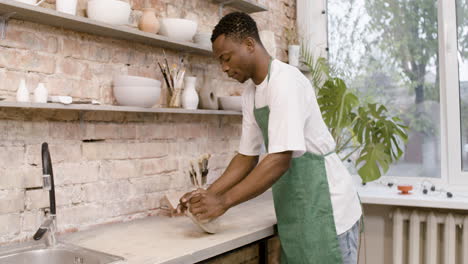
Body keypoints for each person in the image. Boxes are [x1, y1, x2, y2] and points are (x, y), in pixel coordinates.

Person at [179, 12, 362, 264]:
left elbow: (279, 159)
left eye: (226, 58)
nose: (224, 68)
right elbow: (246, 157)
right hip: (297, 210)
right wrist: (207, 195)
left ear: (249, 45)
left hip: (328, 211)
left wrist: (223, 202)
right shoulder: (251, 94)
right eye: (220, 62)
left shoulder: (285, 81)